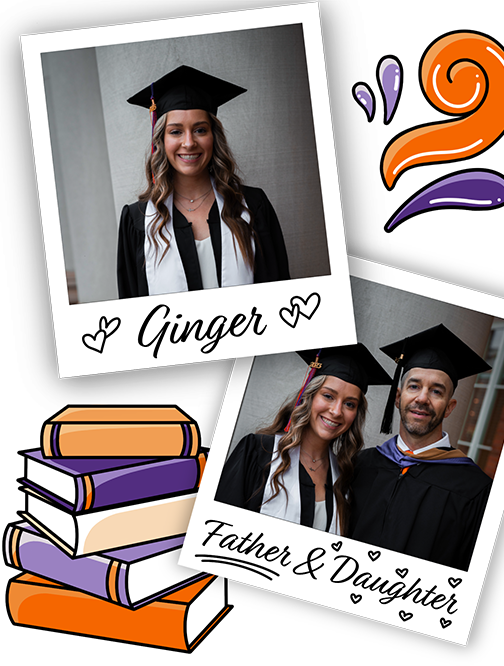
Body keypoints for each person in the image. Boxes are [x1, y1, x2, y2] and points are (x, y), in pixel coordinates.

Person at [118, 65, 290, 298]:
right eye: (176, 132)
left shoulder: (251, 206)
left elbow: (280, 294)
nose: (189, 143)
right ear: (160, 141)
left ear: (213, 137)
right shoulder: (139, 221)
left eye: (200, 130)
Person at [348, 324, 493, 570]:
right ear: (398, 397)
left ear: (449, 407)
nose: (422, 398)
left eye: (436, 391)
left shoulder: (475, 490)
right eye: (414, 386)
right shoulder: (360, 465)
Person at [215, 344, 392, 535]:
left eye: (349, 404)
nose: (336, 411)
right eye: (328, 396)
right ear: (309, 396)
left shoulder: (345, 478)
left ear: (356, 414)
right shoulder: (258, 452)